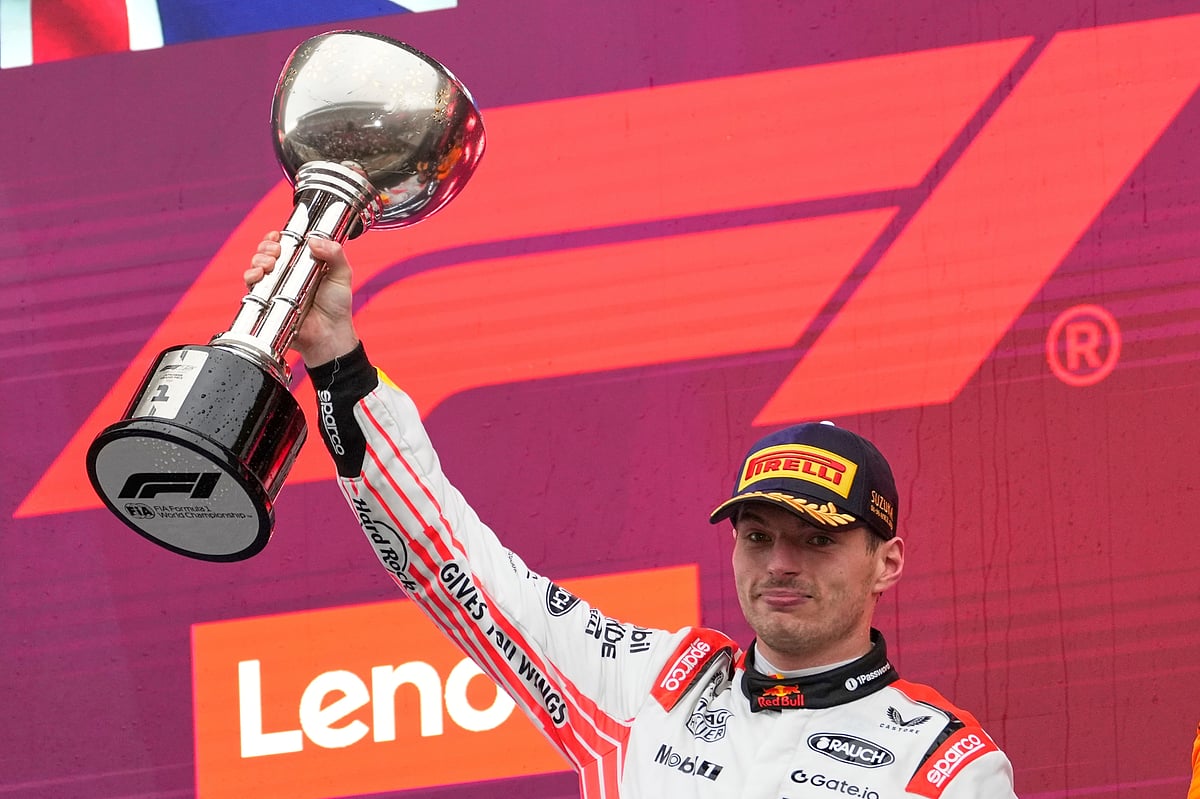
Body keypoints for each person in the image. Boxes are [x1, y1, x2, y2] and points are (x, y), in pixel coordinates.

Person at [247, 232, 1019, 798]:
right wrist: (337, 357)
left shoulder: (946, 765)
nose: (781, 563)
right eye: (758, 536)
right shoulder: (650, 685)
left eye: (816, 539)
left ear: (887, 560)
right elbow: (451, 563)